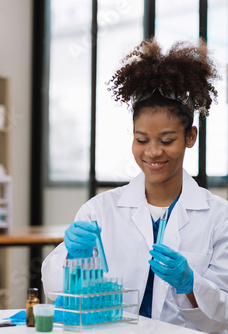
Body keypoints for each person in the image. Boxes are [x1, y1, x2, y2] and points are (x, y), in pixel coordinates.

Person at [42, 38, 228, 333]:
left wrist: (191, 284)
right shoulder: (101, 209)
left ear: (191, 137)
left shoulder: (219, 218)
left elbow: (223, 315)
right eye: (141, 140)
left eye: (167, 140)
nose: (152, 152)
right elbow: (54, 292)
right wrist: (71, 256)